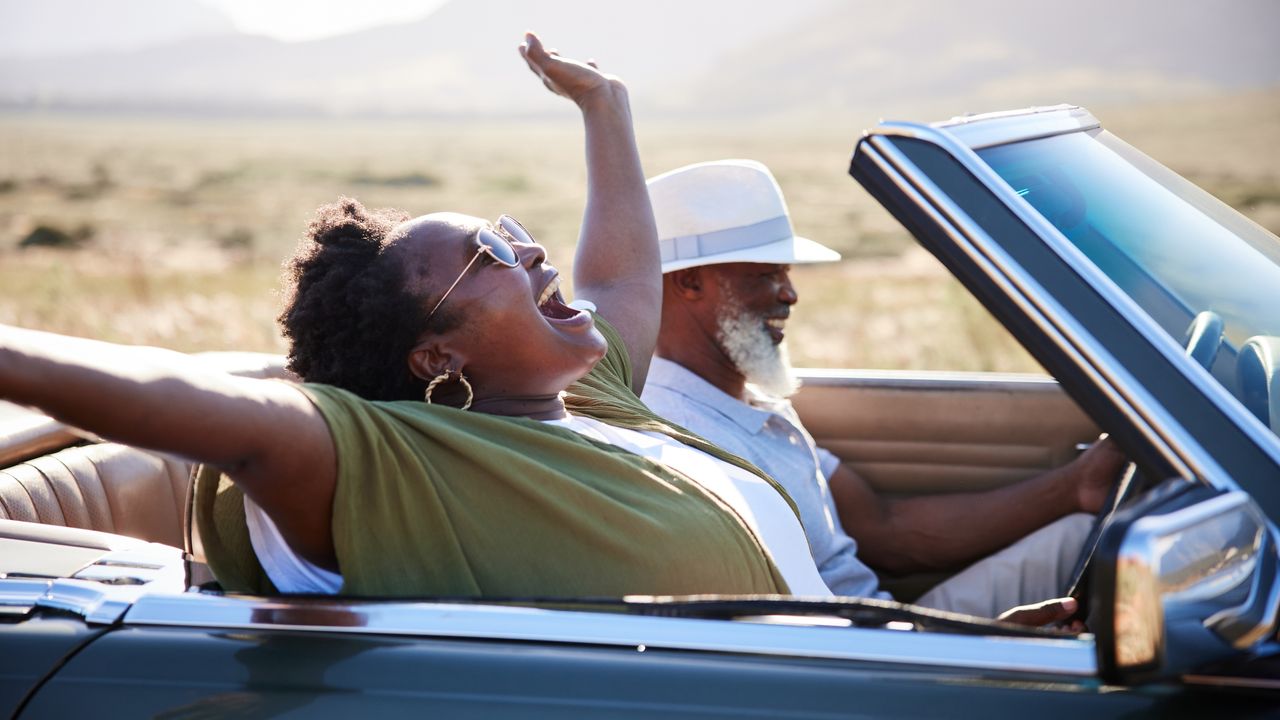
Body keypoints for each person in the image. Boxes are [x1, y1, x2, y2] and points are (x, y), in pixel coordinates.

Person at [0, 35, 838, 600]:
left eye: (514, 234)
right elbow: (237, 423)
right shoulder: (394, 463)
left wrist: (605, 105)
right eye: (494, 257)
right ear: (436, 359)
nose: (533, 253)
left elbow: (621, 276)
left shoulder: (587, 397)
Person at [640, 159, 1127, 619]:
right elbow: (779, 622)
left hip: (891, 628)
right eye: (766, 275)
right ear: (689, 283)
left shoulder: (749, 399)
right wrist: (959, 653)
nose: (790, 294)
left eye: (786, 273)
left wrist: (1077, 486)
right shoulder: (678, 438)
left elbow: (886, 530)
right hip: (868, 657)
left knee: (1091, 538)